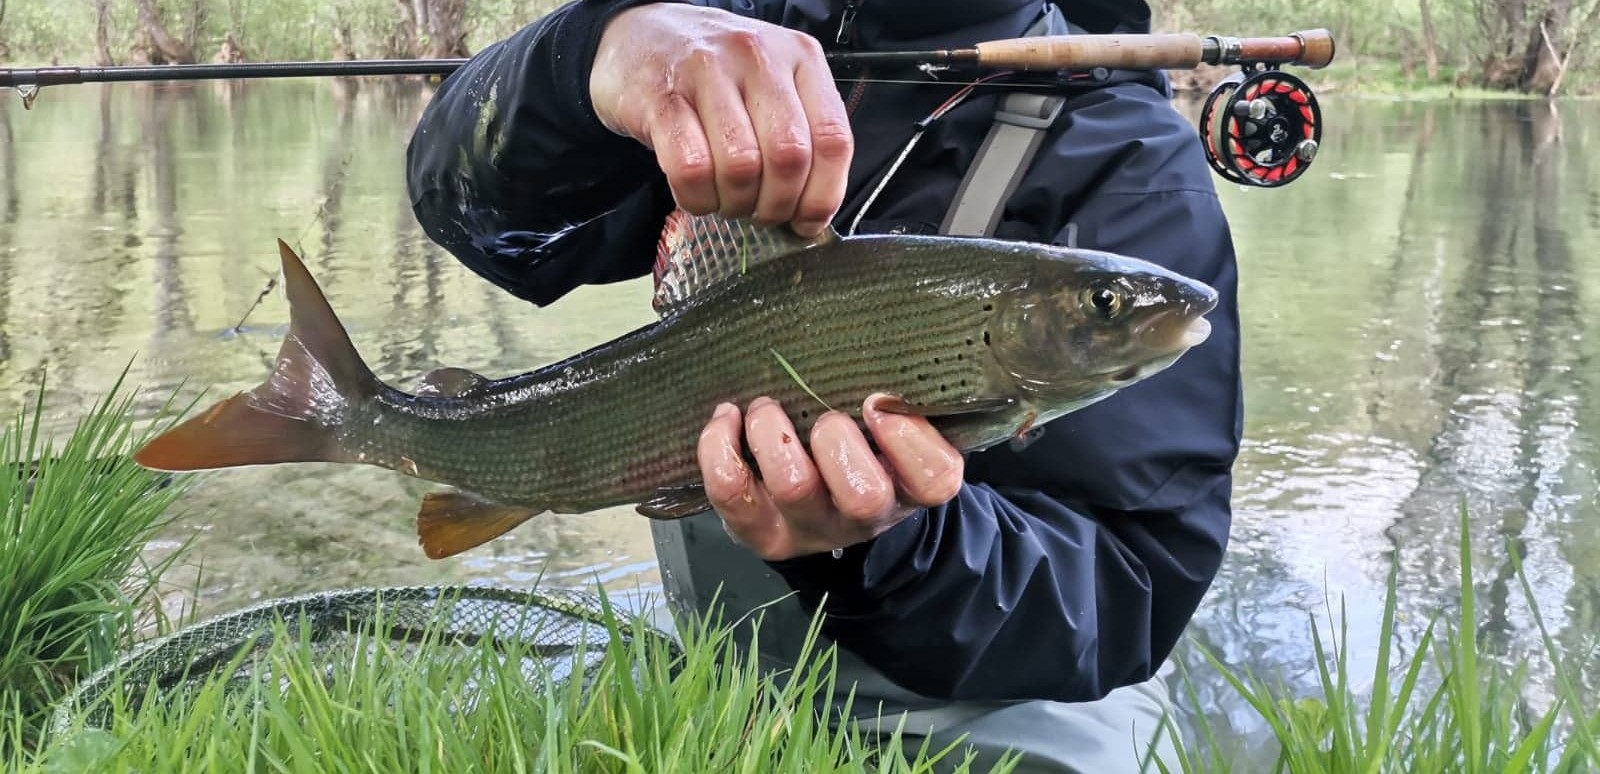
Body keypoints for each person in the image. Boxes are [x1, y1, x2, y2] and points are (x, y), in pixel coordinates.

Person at [405, 1, 1242, 770]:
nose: (1117, 314)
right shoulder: (724, 33)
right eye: (1104, 306)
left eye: (1103, 308)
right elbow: (474, 214)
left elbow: (1125, 589)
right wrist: (593, 54)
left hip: (1008, 701)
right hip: (725, 656)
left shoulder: (1132, 164)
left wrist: (893, 545)